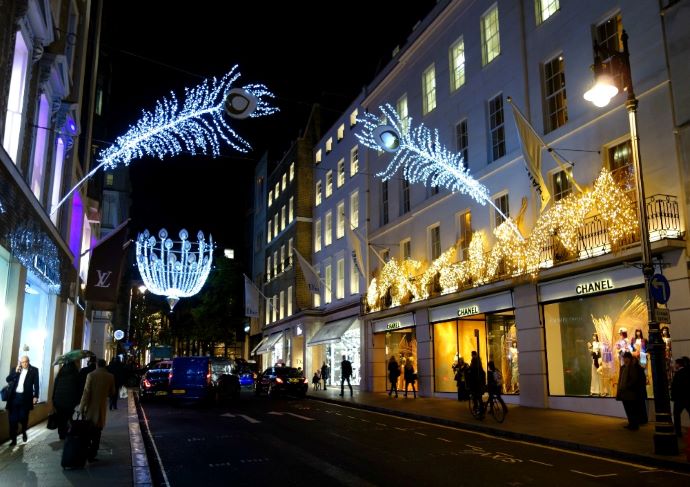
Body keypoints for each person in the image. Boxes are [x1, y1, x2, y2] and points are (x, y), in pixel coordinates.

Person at [79, 359, 115, 462]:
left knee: (88, 430)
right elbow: (112, 392)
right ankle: (93, 453)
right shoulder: (110, 376)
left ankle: (86, 451)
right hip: (101, 408)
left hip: (90, 408)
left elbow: (86, 392)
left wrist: (81, 407)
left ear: (96, 365)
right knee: (97, 432)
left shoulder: (91, 375)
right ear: (105, 366)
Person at [5, 355, 40, 446]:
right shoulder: (15, 369)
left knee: (23, 418)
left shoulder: (34, 370)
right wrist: (15, 372)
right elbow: (7, 379)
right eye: (22, 362)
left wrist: (36, 396)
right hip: (14, 398)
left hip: (25, 399)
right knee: (13, 420)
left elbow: (36, 384)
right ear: (20, 362)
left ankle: (24, 430)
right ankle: (13, 440)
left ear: (28, 361)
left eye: (26, 362)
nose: (24, 364)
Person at [52, 360, 80, 440]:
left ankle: (61, 434)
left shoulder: (60, 373)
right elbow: (78, 388)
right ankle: (68, 432)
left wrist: (53, 398)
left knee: (61, 417)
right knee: (68, 416)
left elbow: (55, 386)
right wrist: (77, 400)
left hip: (58, 400)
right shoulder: (75, 373)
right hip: (70, 400)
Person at [616, 351, 644, 430]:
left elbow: (634, 379)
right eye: (624, 358)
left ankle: (634, 424)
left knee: (632, 409)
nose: (625, 359)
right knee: (628, 409)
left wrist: (627, 386)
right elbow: (620, 379)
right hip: (623, 392)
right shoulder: (623, 367)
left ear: (630, 358)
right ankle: (631, 423)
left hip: (630, 392)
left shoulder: (632, 367)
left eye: (627, 358)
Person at [670, 357, 690, 438]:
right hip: (688, 397)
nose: (674, 365)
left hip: (679, 399)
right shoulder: (688, 372)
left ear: (678, 364)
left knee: (676, 415)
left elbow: (674, 386)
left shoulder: (678, 374)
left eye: (675, 364)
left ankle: (678, 432)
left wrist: (673, 397)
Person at [467, 351, 486, 418]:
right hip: (480, 384)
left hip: (475, 384)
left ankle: (477, 410)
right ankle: (481, 410)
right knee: (479, 398)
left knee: (475, 397)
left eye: (471, 355)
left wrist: (468, 369)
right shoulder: (479, 364)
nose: (471, 356)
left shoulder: (474, 363)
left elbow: (471, 371)